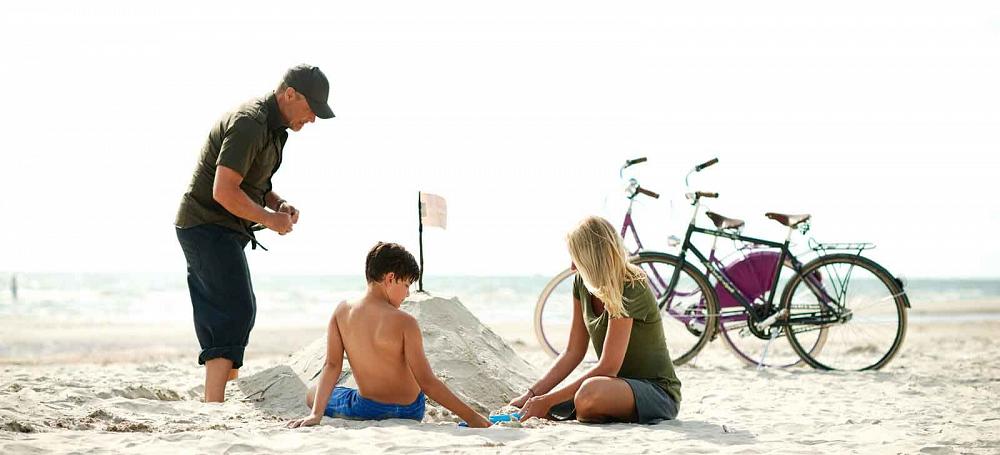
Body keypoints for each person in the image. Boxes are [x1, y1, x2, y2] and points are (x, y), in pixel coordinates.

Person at [175, 64, 335, 402]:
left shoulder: (275, 130)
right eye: (312, 109)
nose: (313, 119)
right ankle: (214, 403)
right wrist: (270, 220)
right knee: (232, 311)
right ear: (289, 94)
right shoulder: (250, 122)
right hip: (205, 224)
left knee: (239, 311)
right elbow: (223, 190)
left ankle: (222, 395)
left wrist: (279, 204)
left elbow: (252, 183)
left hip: (225, 227)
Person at [287, 242, 490, 428]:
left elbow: (332, 365)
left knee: (313, 393)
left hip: (368, 409)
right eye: (407, 285)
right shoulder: (406, 322)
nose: (407, 294)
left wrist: (316, 414)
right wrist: (472, 418)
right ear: (390, 278)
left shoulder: (342, 312)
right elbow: (428, 382)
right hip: (411, 411)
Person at [511, 216, 682, 424]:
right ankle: (584, 410)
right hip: (612, 387)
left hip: (657, 392)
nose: (572, 267)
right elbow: (573, 352)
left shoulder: (631, 284)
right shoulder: (581, 283)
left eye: (576, 258)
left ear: (591, 258)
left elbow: (608, 367)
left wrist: (547, 401)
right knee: (577, 396)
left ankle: (582, 409)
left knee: (588, 393)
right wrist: (531, 395)